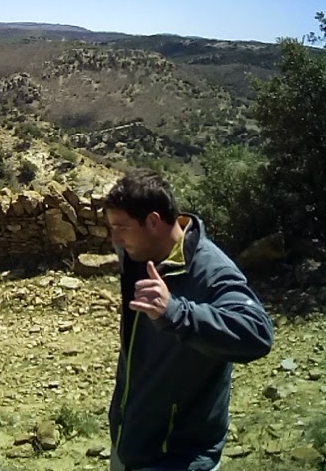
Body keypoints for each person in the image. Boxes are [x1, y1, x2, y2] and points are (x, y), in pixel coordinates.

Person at [102, 170, 274, 470]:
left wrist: (176, 313)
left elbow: (258, 333)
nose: (114, 238)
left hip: (177, 456)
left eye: (121, 227)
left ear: (153, 222)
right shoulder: (138, 254)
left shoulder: (211, 269)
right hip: (130, 441)